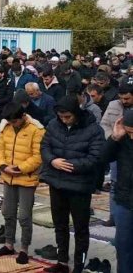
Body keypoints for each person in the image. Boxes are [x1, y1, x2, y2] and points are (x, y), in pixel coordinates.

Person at [40, 97, 106, 273]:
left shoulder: (93, 129)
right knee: (59, 225)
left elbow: (95, 158)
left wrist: (70, 165)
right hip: (57, 183)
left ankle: (79, 265)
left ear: (76, 113)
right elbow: (44, 146)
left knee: (80, 228)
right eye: (61, 117)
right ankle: (62, 261)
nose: (64, 120)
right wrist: (52, 161)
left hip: (79, 186)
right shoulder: (54, 125)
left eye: (68, 117)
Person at [0, 104, 44, 264]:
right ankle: (9, 244)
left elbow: (38, 156)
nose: (12, 124)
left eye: (15, 121)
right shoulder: (5, 127)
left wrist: (20, 168)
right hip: (9, 176)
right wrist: (3, 166)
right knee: (8, 212)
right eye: (10, 121)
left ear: (23, 116)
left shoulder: (36, 130)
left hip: (26, 178)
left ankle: (24, 249)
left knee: (24, 216)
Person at [101, 108, 133, 272]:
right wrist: (114, 137)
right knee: (123, 245)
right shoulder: (122, 139)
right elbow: (103, 158)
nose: (131, 136)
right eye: (129, 132)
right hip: (124, 199)